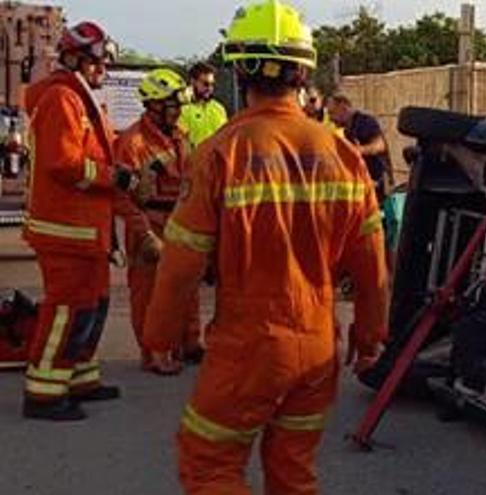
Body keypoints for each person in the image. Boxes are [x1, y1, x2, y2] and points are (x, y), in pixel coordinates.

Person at [141, 1, 389, 493]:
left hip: (249, 344)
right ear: (303, 72)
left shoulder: (221, 152)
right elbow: (372, 266)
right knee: (294, 472)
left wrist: (159, 335)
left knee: (209, 464)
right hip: (318, 345)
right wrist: (369, 338)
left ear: (239, 67)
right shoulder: (342, 153)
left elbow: (182, 263)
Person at [21, 21, 133, 421]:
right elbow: (64, 163)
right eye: (99, 62)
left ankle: (79, 375)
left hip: (86, 228)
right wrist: (112, 177)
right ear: (77, 59)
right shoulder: (61, 99)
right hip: (65, 228)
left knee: (94, 304)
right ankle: (45, 393)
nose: (104, 70)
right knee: (68, 308)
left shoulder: (80, 98)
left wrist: (116, 174)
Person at [114, 68, 202, 374]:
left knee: (186, 285)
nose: (178, 111)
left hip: (178, 220)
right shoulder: (133, 142)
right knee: (149, 292)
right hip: (149, 222)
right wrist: (144, 234)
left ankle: (190, 342)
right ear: (154, 105)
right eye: (172, 105)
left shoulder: (180, 137)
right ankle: (154, 351)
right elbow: (123, 196)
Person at [326, 93, 394, 202]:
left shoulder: (364, 122)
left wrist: (358, 150)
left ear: (343, 107)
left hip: (379, 184)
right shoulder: (348, 130)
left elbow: (380, 145)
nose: (330, 118)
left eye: (332, 113)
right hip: (366, 184)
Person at [179, 62, 228, 149]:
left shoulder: (219, 108)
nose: (209, 88)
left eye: (212, 84)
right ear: (193, 81)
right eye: (206, 84)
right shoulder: (182, 110)